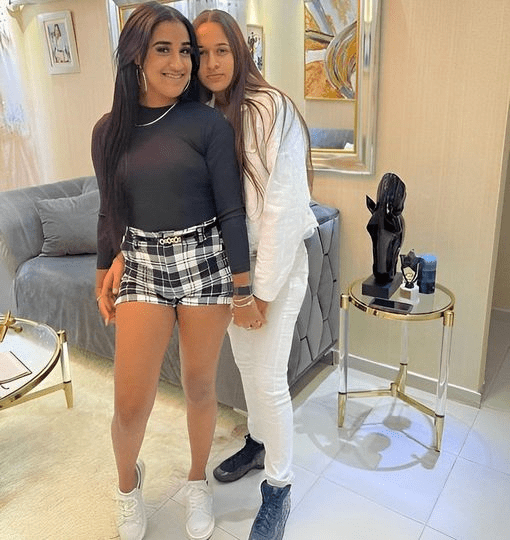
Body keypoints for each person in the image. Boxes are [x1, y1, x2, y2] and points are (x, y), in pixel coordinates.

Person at [92, 3, 263, 540]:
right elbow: (109, 208)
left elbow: (231, 210)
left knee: (198, 385)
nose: (180, 63)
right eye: (163, 49)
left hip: (204, 260)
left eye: (185, 50)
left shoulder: (206, 123)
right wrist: (103, 266)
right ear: (136, 56)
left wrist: (242, 289)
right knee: (130, 402)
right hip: (143, 264)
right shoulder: (109, 131)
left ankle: (195, 483)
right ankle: (127, 487)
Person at [193, 10, 318, 540]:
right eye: (201, 53)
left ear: (240, 51)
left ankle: (279, 489)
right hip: (230, 272)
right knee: (248, 370)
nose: (211, 62)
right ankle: (260, 443)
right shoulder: (203, 113)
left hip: (275, 269)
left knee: (267, 379)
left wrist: (259, 293)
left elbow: (283, 208)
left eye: (222, 50)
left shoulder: (270, 108)